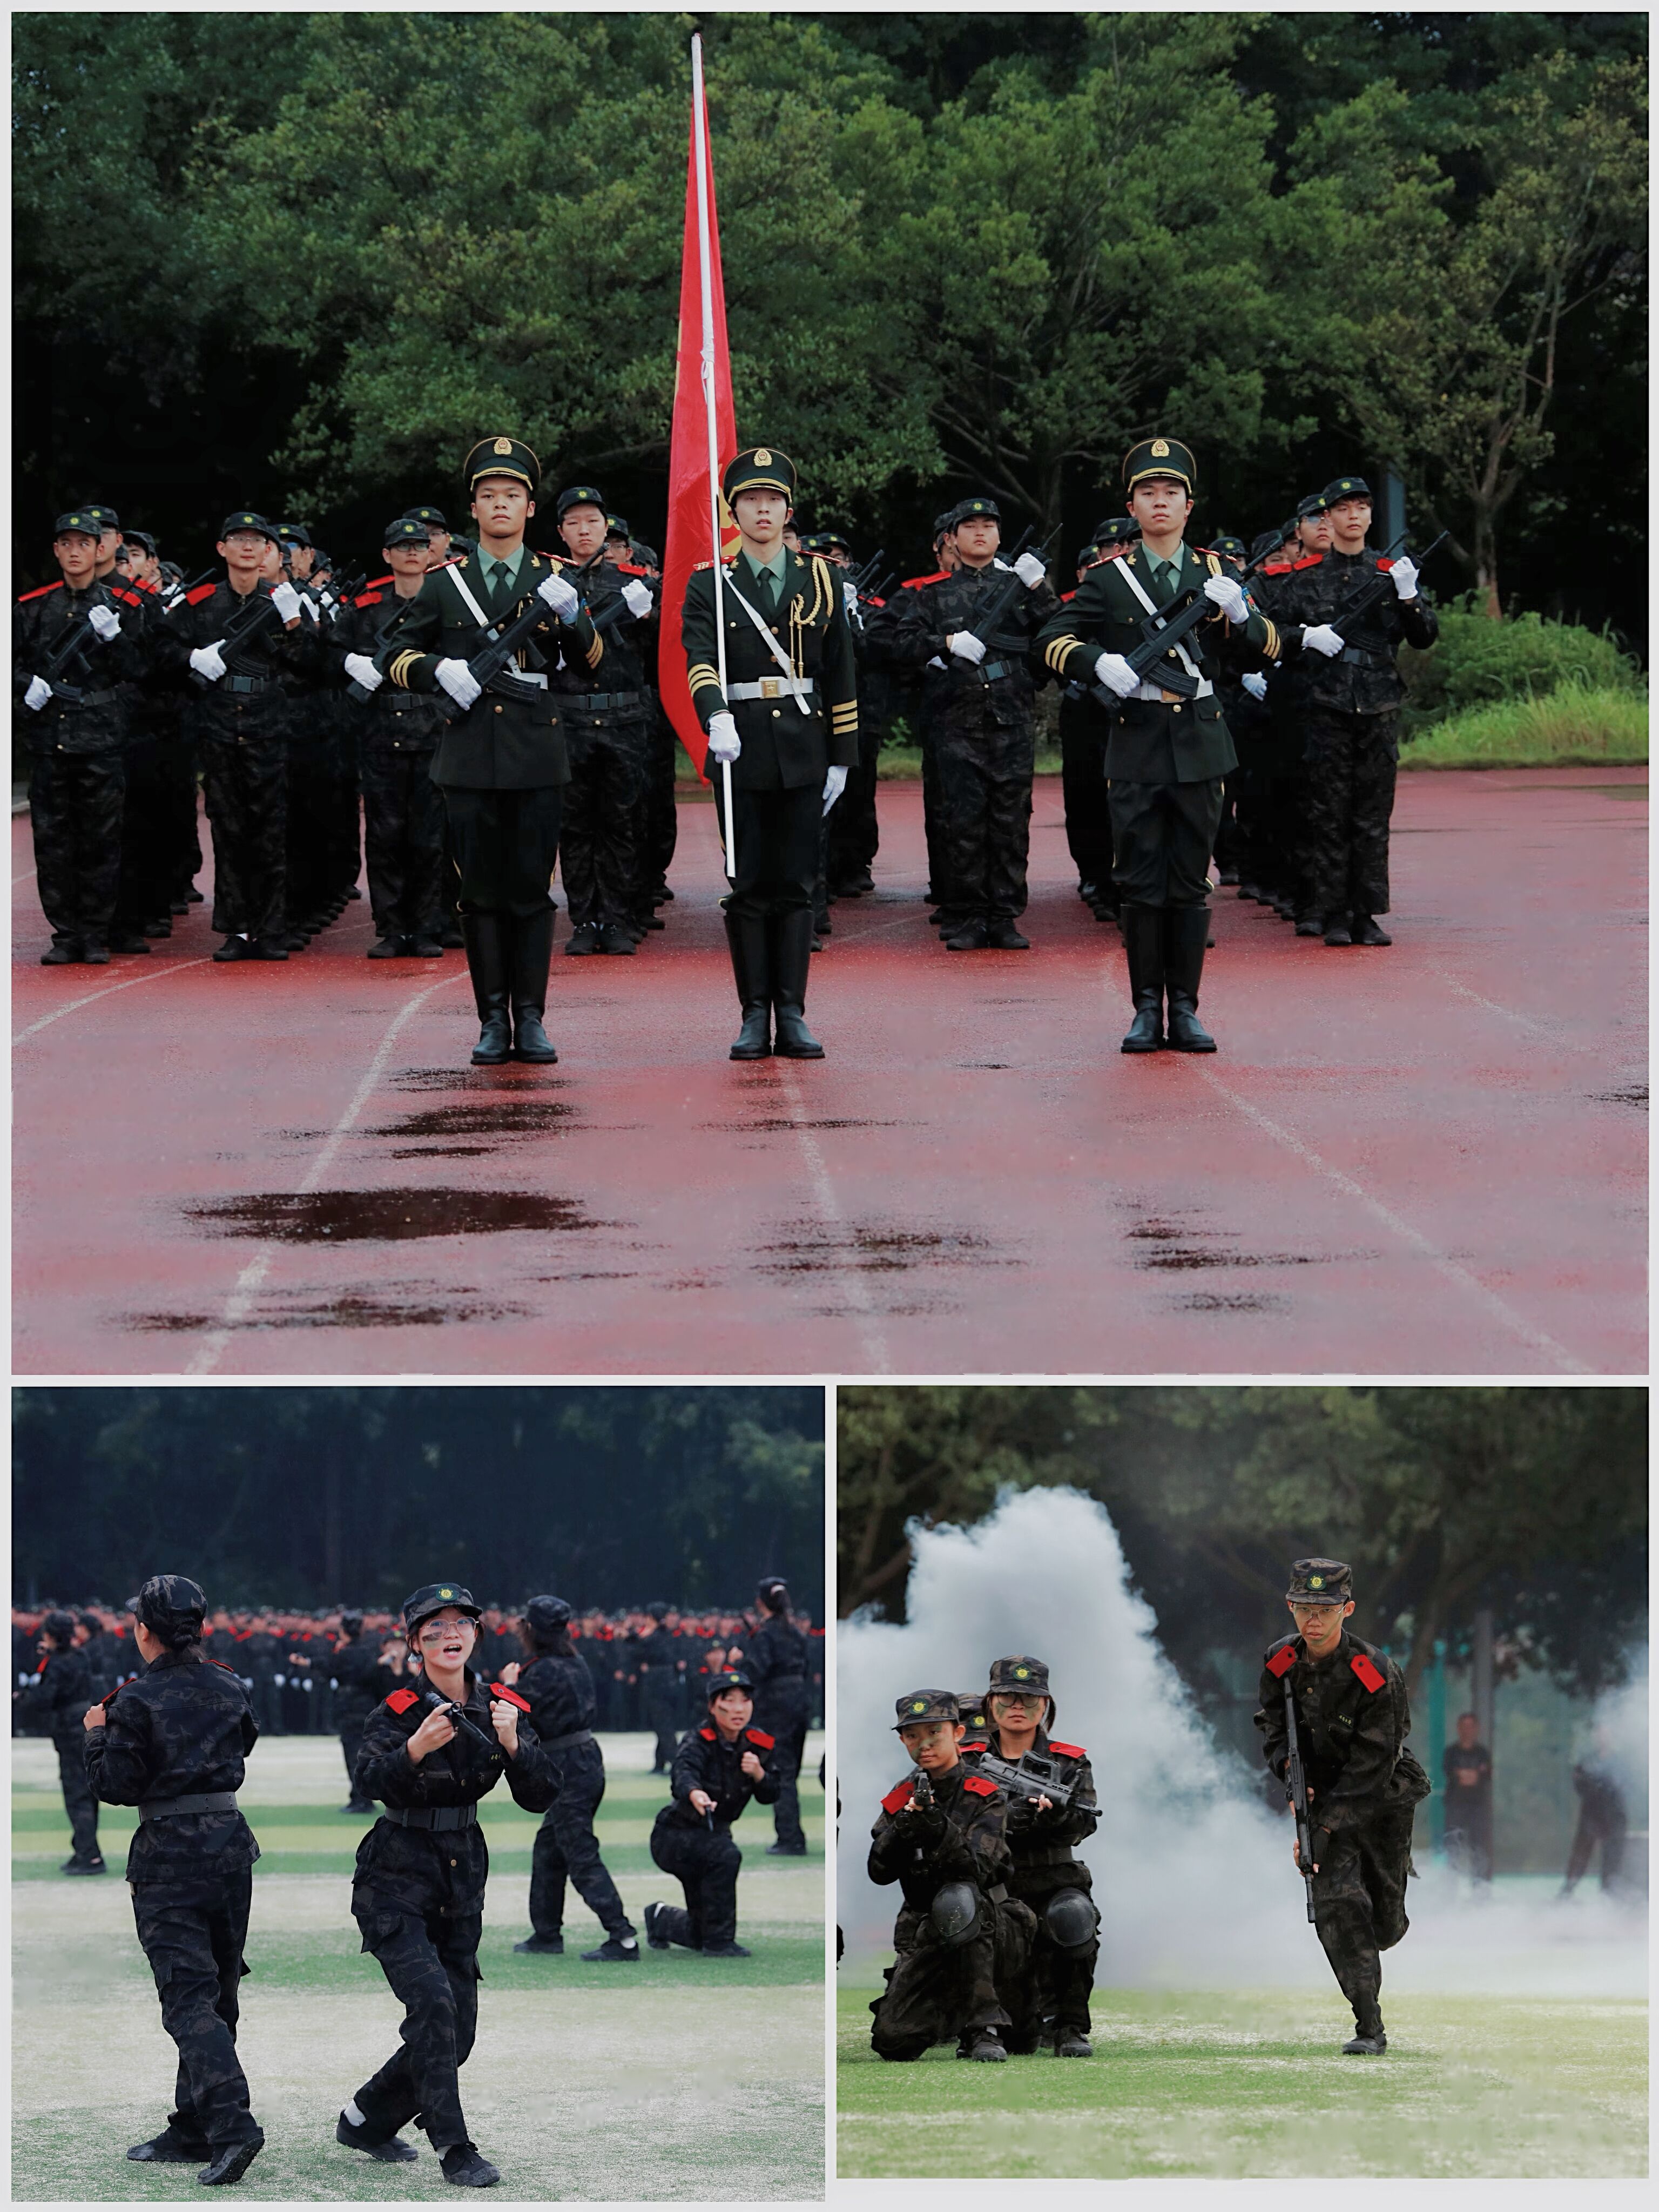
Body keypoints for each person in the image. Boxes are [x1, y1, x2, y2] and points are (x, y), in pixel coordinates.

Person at [1038, 439, 1279, 1052]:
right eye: (1149, 493)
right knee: (1141, 880)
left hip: (1200, 738)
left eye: (1172, 492)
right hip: (1137, 741)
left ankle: (1187, 1010)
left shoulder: (1218, 575)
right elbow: (1051, 639)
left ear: (1189, 506)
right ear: (1133, 507)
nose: (1161, 502)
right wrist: (1098, 662)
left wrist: (1241, 616)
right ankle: (1147, 1008)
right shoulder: (1109, 578)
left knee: (1192, 879)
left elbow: (1272, 645)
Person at [376, 436, 602, 1066]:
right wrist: (436, 670)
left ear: (529, 508)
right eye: (488, 495)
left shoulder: (554, 578)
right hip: (470, 755)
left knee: (531, 891)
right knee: (478, 894)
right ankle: (492, 1019)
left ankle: (530, 1017)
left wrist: (575, 618)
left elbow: (591, 664)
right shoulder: (445, 584)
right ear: (473, 509)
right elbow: (391, 655)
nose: (500, 504)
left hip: (536, 753)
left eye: (512, 495)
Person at [339, 1581, 555, 2186]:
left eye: (460, 1624)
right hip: (394, 1880)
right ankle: (455, 2148)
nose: (449, 1635)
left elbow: (542, 1794)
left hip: (461, 1880)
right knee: (433, 2005)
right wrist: (412, 1750)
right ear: (415, 1643)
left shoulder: (501, 1707)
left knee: (456, 2033)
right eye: (433, 1629)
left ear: (476, 1634)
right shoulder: (398, 1711)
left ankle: (365, 2119)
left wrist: (513, 1744)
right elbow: (369, 1780)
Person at [84, 1575, 265, 2185]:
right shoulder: (230, 1684)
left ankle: (231, 2125)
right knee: (219, 1995)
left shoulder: (134, 1700)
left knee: (188, 1999)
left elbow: (116, 1786)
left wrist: (95, 1735)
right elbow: (246, 1742)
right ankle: (193, 2127)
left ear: (144, 1631)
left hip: (168, 1857)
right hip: (230, 1848)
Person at [680, 446, 859, 1060]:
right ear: (733, 512)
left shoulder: (824, 578)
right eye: (751, 500)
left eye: (773, 500)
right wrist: (716, 716)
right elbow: (699, 659)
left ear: (789, 509)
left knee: (798, 882)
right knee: (749, 884)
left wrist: (842, 754)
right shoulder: (710, 582)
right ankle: (755, 1013)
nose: (763, 510)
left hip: (805, 746)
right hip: (741, 747)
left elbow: (840, 670)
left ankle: (793, 1011)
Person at [1255, 1559, 1431, 2055]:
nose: (1313, 1619)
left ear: (1346, 1610)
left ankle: (1380, 1925)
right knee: (1337, 1904)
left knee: (1384, 1924)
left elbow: (1374, 1764)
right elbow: (1272, 1727)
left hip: (1382, 1797)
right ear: (1290, 1606)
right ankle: (1369, 2026)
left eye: (1325, 1609)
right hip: (1323, 1794)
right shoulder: (1279, 1663)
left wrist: (1328, 1825)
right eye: (1304, 1608)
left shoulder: (1374, 1673)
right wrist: (1292, 1778)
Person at [1261, 475, 1439, 947]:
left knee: (1372, 813)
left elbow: (1424, 636)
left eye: (1361, 507)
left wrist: (1409, 595)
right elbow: (1268, 632)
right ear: (1329, 518)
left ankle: (1367, 913)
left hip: (1378, 704)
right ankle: (1332, 911)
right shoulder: (1305, 577)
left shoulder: (1388, 572)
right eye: (1343, 509)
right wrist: (1306, 636)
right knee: (1328, 811)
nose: (1353, 516)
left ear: (1371, 515)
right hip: (1326, 705)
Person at [886, 496, 1061, 951]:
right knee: (962, 821)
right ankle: (968, 915)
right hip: (956, 721)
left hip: (1011, 719)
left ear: (1000, 536)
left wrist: (1038, 585)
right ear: (952, 538)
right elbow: (901, 645)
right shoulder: (935, 594)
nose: (980, 532)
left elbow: (1060, 633)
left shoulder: (1021, 588)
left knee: (1010, 821)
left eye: (989, 525)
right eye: (970, 526)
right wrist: (945, 643)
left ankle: (1004, 916)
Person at [165, 509, 309, 962]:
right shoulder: (201, 602)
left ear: (269, 550)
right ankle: (237, 929)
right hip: (219, 725)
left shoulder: (283, 602)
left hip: (268, 726)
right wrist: (192, 657)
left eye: (256, 540)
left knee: (271, 829)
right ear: (221, 548)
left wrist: (295, 624)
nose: (247, 547)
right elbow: (160, 648)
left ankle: (271, 929)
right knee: (228, 829)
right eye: (238, 538)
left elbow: (312, 663)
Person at [867, 1689, 1031, 2063]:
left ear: (957, 1733)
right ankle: (952, 2014)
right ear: (902, 1741)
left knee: (961, 1900)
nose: (923, 1744)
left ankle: (984, 2028)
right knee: (894, 2042)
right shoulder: (902, 1796)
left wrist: (939, 1829)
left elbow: (979, 1870)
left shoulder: (985, 1794)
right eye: (912, 1735)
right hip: (927, 1929)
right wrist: (902, 1829)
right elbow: (878, 1872)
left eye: (934, 1733)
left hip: (990, 1926)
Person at [14, 509, 149, 964]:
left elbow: (141, 670)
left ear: (100, 549)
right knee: (52, 842)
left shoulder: (121, 606)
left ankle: (94, 933)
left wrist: (115, 638)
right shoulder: (33, 608)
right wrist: (25, 686)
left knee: (100, 840)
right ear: (56, 550)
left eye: (84, 544)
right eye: (67, 544)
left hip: (100, 739)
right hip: (50, 739)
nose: (75, 552)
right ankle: (66, 934)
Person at [963, 1655, 1100, 2057]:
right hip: (994, 1882)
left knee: (1075, 1915)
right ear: (991, 1703)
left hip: (1053, 1878)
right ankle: (981, 2028)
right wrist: (1003, 1819)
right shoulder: (969, 1760)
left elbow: (1084, 1826)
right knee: (963, 1915)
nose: (1018, 1707)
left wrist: (1057, 1818)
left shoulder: (1070, 1761)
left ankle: (1070, 2026)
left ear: (1046, 1705)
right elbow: (956, 1824)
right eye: (1008, 1698)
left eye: (1029, 1699)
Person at [548, 483, 660, 955]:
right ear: (561, 532)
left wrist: (648, 615)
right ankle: (584, 920)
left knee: (622, 822)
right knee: (575, 826)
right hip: (571, 719)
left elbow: (662, 656)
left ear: (606, 527)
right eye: (574, 523)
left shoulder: (633, 584)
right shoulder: (551, 585)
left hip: (623, 718)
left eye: (592, 522)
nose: (584, 531)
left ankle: (617, 919)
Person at [502, 1594, 638, 1963]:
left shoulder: (542, 1670)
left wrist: (508, 1686)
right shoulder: (574, 1662)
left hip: (567, 1765)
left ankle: (622, 1935)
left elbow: (516, 1712)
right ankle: (546, 1933)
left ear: (531, 1630)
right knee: (550, 1848)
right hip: (585, 1759)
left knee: (579, 1852)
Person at [337, 517, 450, 956]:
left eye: (419, 546)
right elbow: (326, 651)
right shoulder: (366, 607)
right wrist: (350, 662)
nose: (412, 553)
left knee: (429, 836)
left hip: (430, 730)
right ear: (387, 555)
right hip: (381, 732)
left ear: (430, 553)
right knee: (385, 835)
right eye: (402, 547)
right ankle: (391, 928)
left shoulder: (444, 603)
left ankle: (426, 927)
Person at [644, 1667, 778, 1958]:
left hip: (714, 1835)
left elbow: (772, 1794)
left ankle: (659, 1918)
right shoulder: (698, 1739)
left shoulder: (759, 1743)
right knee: (726, 1854)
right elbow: (683, 1773)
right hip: (675, 1836)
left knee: (698, 1933)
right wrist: (695, 1793)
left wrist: (759, 1774)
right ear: (713, 1706)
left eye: (745, 1700)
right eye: (729, 1700)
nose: (738, 1709)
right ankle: (721, 1942)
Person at [13, 1608, 104, 1872]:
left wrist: (22, 1698)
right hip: (85, 1726)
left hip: (68, 1730)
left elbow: (46, 1697)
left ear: (50, 1635)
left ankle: (89, 1854)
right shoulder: (81, 1656)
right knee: (87, 1791)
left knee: (76, 1794)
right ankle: (87, 1850)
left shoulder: (56, 1663)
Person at [740, 1577, 811, 1857]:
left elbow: (756, 1671)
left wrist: (739, 1660)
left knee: (781, 1772)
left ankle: (790, 1837)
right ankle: (792, 1834)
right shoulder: (795, 1633)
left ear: (760, 1602)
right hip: (798, 1704)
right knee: (790, 1772)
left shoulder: (765, 1634)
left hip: (776, 1708)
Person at [331, 1610, 384, 1815]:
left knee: (353, 1755)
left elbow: (330, 1670)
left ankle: (359, 1799)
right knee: (366, 1754)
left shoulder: (343, 1654)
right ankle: (366, 1797)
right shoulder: (370, 1652)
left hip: (349, 1709)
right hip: (368, 1708)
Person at [1562, 1746, 1627, 1896]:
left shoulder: (1619, 1762)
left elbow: (1624, 1785)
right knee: (1581, 1852)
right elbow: (1579, 1784)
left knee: (1612, 1855)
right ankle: (1569, 1888)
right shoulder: (1588, 1762)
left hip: (1613, 1814)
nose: (1602, 1737)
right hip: (1591, 1813)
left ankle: (1610, 1890)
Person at [1441, 1712, 1493, 1883]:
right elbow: (1451, 1772)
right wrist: (1468, 1775)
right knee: (1453, 1845)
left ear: (1477, 1729)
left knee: (1479, 1847)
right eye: (1464, 1726)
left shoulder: (1483, 1753)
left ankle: (1480, 1886)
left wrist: (1466, 1775)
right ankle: (1450, 1884)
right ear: (1458, 1728)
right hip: (1455, 1806)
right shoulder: (1451, 1753)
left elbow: (1486, 1775)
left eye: (1471, 1727)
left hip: (1478, 1807)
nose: (1467, 1730)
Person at [636, 1601, 680, 1774]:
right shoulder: (666, 1635)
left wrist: (640, 1636)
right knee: (662, 1722)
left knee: (663, 1724)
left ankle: (675, 1761)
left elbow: (638, 1649)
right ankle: (660, 1762)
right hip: (667, 1682)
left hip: (658, 1683)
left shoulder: (655, 1636)